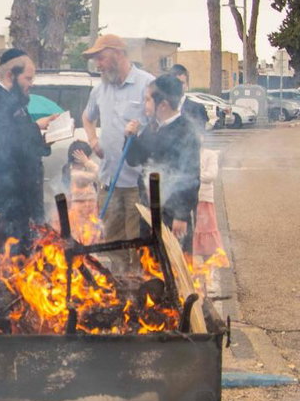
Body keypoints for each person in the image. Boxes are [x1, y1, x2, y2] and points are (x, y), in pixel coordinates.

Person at [0, 48, 58, 251]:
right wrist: (36, 127)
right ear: (10, 75)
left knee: (32, 256)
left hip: (26, 197)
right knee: (11, 257)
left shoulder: (17, 103)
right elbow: (6, 141)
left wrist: (44, 140)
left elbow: (24, 145)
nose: (31, 84)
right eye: (28, 78)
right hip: (8, 199)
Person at [81, 34, 154, 247]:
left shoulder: (147, 84)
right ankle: (118, 271)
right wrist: (93, 140)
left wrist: (141, 131)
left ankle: (136, 270)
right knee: (110, 243)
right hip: (108, 182)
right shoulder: (99, 89)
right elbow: (87, 117)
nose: (97, 64)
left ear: (118, 54)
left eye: (101, 58)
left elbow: (160, 124)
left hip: (137, 185)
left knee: (138, 244)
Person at [124, 74, 202, 248]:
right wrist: (130, 137)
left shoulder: (186, 132)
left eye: (147, 100)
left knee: (172, 260)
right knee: (150, 260)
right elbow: (134, 160)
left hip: (172, 215)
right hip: (149, 210)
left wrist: (181, 215)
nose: (144, 104)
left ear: (163, 105)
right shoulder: (152, 128)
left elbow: (191, 177)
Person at [57, 139, 100, 243]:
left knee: (91, 235)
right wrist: (87, 162)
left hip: (90, 207)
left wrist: (86, 163)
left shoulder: (83, 169)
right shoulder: (75, 174)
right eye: (86, 156)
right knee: (82, 235)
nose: (89, 158)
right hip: (80, 209)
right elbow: (100, 174)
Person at [167, 63, 212, 132]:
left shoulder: (198, 109)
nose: (178, 86)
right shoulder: (161, 107)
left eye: (182, 83)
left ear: (187, 85)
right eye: (175, 82)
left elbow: (200, 134)